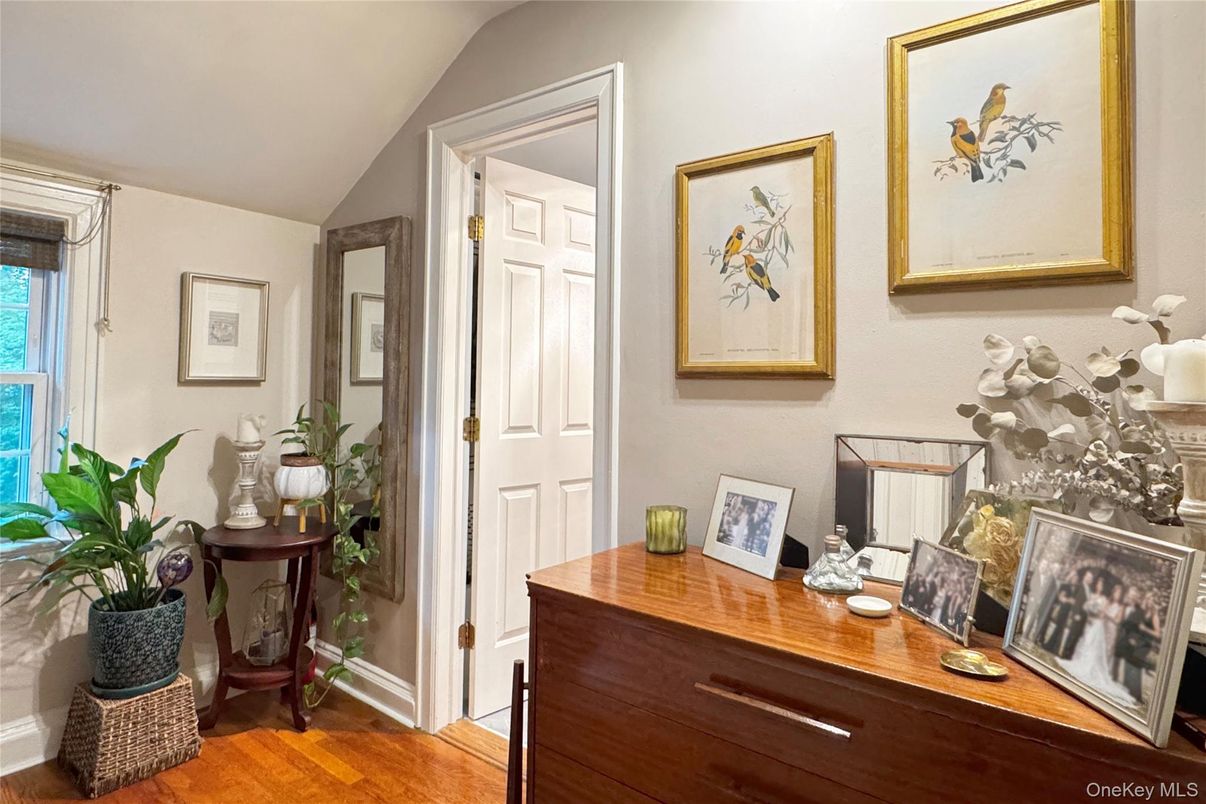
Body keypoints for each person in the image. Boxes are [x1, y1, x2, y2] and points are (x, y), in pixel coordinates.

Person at [1057, 578, 1138, 708]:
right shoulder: (1107, 601)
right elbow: (1100, 614)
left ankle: (1100, 671)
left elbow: (1117, 621)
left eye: (1119, 593)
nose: (1117, 595)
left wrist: (1106, 615)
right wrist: (1095, 613)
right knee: (1092, 647)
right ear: (1113, 593)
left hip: (1111, 629)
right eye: (1115, 592)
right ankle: (1085, 663)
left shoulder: (1121, 607)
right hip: (1100, 627)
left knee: (1103, 652)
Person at [1114, 587, 1147, 703]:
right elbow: (1118, 619)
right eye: (1131, 594)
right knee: (1115, 659)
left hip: (1128, 639)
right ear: (1128, 594)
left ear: (1136, 596)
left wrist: (1132, 638)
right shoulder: (1123, 605)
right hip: (1118, 634)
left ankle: (1127, 687)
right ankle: (1112, 679)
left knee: (1127, 663)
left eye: (1134, 594)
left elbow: (1137, 627)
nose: (1132, 596)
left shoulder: (1139, 610)